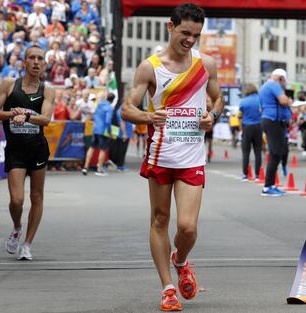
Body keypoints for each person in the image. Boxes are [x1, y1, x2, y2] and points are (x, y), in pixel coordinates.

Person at [121, 3, 223, 311]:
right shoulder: (149, 67)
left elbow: (216, 99)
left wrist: (213, 117)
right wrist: (148, 117)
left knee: (188, 228)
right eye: (185, 33)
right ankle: (167, 288)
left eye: (196, 35)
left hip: (191, 157)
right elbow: (127, 109)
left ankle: (181, 260)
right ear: (170, 27)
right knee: (160, 220)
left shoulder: (206, 64)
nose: (190, 40)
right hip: (160, 155)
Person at [0, 46, 55, 260]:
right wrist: (12, 114)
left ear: (44, 64)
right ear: (24, 62)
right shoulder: (9, 85)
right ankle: (17, 227)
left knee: (36, 197)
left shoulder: (47, 90)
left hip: (37, 149)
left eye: (40, 59)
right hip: (16, 149)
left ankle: (27, 243)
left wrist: (25, 117)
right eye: (32, 58)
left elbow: (46, 119)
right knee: (16, 200)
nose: (36, 62)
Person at [259, 68, 292, 196]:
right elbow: (283, 101)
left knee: (276, 153)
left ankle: (270, 185)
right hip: (273, 121)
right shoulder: (274, 84)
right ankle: (267, 187)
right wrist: (289, 101)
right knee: (275, 153)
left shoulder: (264, 86)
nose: (284, 84)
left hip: (269, 120)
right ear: (280, 78)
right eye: (284, 81)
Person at [82, 92, 113, 176]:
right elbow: (108, 121)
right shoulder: (108, 107)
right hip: (103, 130)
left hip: (95, 129)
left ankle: (85, 167)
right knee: (103, 149)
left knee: (92, 147)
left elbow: (94, 117)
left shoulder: (97, 106)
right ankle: (99, 169)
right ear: (106, 97)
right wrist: (110, 131)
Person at [238, 84, 262, 181]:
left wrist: (241, 127)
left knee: (246, 152)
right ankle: (257, 175)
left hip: (247, 127)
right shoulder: (260, 100)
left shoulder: (243, 101)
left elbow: (239, 115)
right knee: (258, 151)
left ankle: (245, 175)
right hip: (258, 127)